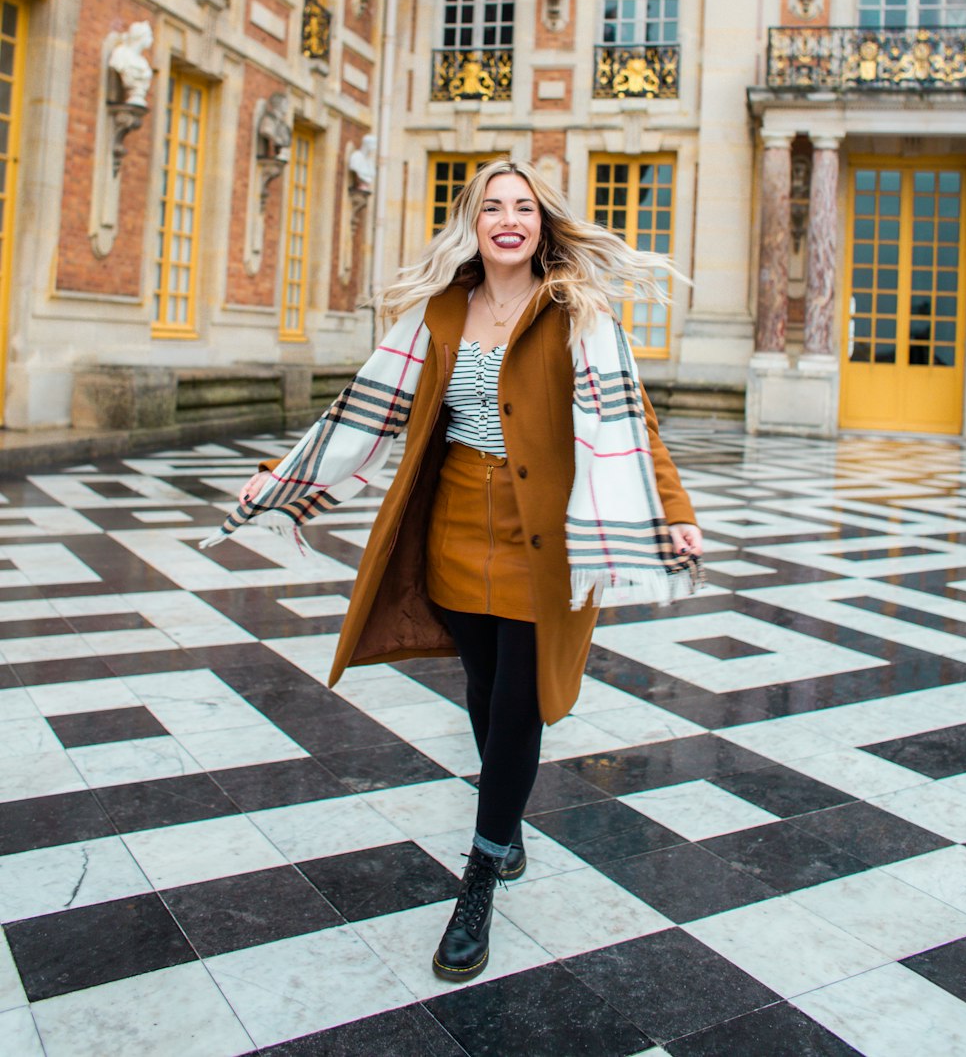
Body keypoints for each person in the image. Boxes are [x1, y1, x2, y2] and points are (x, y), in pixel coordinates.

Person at [205, 159, 701, 982]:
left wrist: (675, 513)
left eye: (525, 208)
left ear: (543, 225)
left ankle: (479, 872)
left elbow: (632, 419)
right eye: (493, 207)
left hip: (543, 535)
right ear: (472, 222)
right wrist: (280, 474)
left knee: (519, 699)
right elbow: (364, 406)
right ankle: (504, 826)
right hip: (456, 529)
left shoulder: (577, 309)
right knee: (482, 685)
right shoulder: (438, 312)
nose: (510, 220)